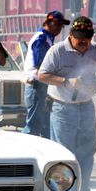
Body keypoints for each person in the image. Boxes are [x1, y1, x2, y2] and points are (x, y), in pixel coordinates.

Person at [38, 16, 96, 191]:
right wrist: (65, 81)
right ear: (71, 35)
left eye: (87, 37)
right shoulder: (57, 51)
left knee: (87, 152)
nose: (84, 41)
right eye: (80, 37)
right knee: (64, 153)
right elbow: (42, 75)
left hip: (86, 106)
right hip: (62, 107)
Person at [22, 10, 70, 138]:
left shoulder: (47, 38)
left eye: (61, 25)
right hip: (37, 86)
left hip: (40, 86)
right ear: (48, 23)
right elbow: (41, 68)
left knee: (43, 126)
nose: (59, 28)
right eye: (57, 24)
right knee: (32, 128)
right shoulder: (41, 39)